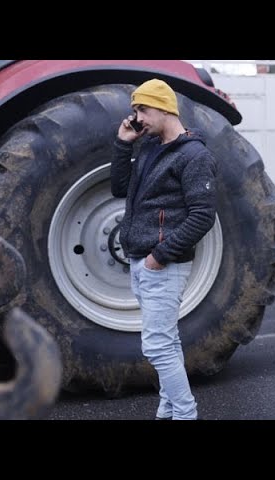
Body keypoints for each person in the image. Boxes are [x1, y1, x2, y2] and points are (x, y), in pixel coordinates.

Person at [111, 78, 217, 420]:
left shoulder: (194, 155)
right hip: (141, 262)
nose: (137, 117)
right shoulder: (149, 148)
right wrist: (123, 144)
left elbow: (203, 217)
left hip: (163, 265)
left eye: (142, 109)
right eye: (134, 111)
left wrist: (159, 257)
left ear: (164, 107)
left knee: (156, 346)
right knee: (166, 342)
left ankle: (185, 413)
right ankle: (168, 408)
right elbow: (119, 189)